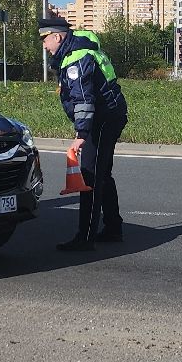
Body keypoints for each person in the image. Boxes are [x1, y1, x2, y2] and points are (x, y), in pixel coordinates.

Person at [40, 15, 128, 251]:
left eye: (45, 39)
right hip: (109, 116)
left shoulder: (76, 58)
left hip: (103, 119)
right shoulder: (78, 51)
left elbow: (83, 99)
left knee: (89, 175)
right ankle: (112, 228)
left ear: (57, 36)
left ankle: (85, 237)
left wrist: (81, 134)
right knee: (102, 172)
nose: (44, 45)